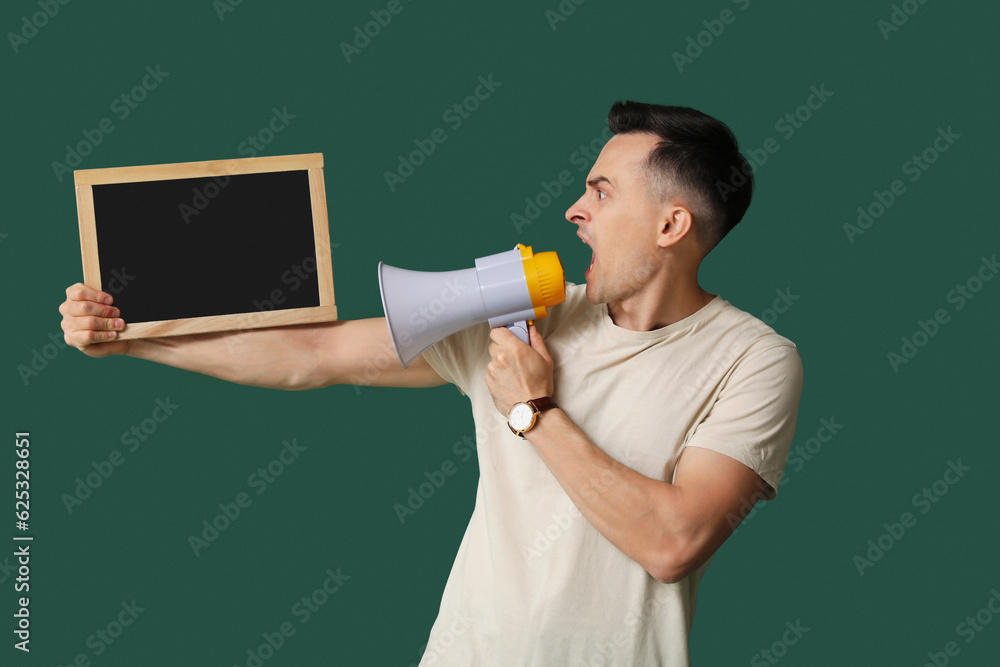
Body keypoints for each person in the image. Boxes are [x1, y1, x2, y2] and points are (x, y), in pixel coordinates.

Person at [60, 100, 803, 666]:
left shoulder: (753, 360)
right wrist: (133, 338)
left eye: (602, 192)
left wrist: (532, 411)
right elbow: (311, 353)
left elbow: (673, 540)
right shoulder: (532, 314)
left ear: (672, 226)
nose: (575, 209)